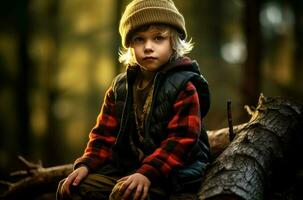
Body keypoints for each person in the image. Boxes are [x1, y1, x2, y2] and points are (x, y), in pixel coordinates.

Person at [56, 0, 211, 199]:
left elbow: (181, 140)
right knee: (73, 188)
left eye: (158, 38)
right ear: (130, 45)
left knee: (124, 194)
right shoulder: (119, 88)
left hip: (173, 176)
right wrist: (86, 164)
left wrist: (146, 173)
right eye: (139, 39)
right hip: (130, 171)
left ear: (173, 42)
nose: (148, 47)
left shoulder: (184, 86)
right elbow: (104, 136)